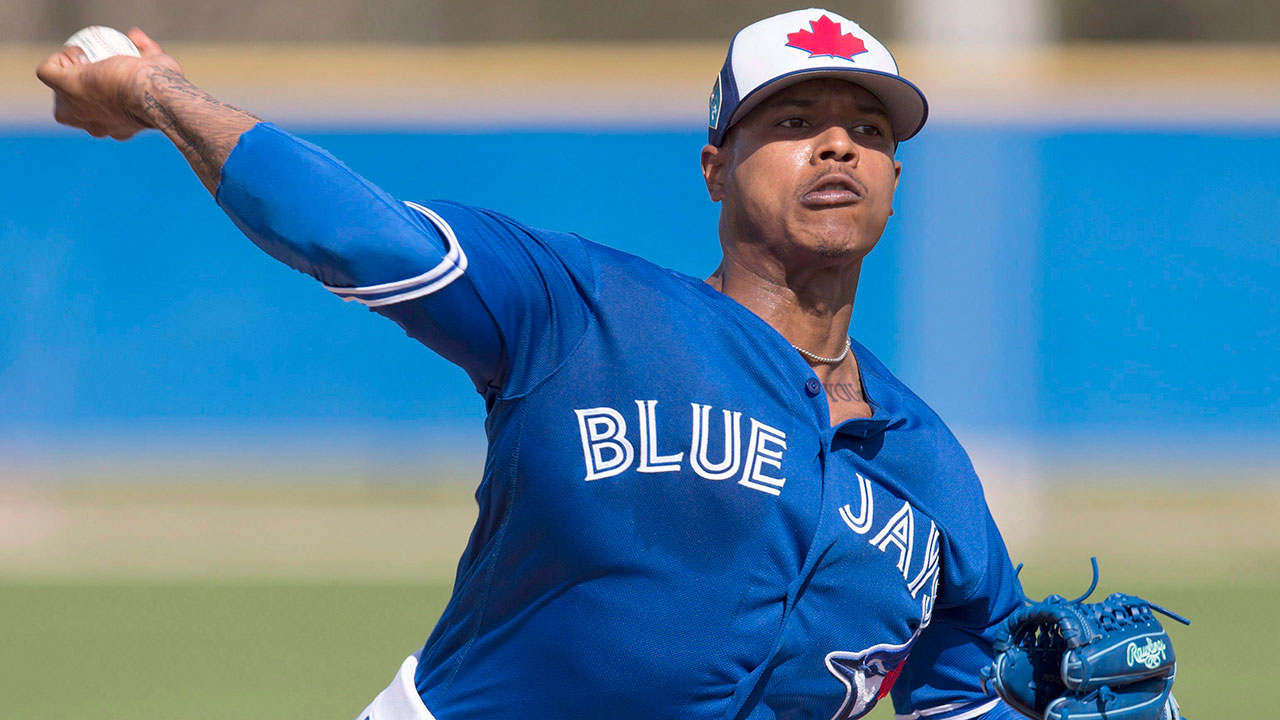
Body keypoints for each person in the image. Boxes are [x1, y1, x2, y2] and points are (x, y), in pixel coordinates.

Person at [38, 9, 1028, 720]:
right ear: (715, 166)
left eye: (867, 130)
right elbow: (358, 236)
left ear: (896, 176)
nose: (836, 148)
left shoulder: (929, 468)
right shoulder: (585, 309)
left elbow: (964, 700)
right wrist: (153, 93)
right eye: (791, 122)